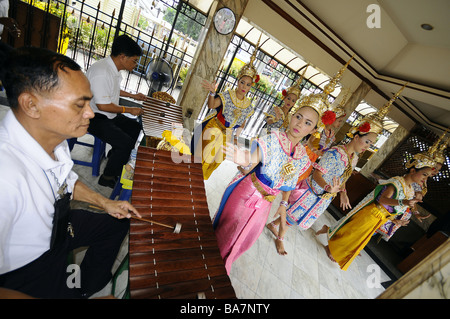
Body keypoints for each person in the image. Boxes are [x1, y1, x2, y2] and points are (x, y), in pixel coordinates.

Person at [0, 44, 141, 298]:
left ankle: (89, 288)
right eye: (80, 105)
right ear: (31, 105)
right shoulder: (5, 176)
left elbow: (66, 180)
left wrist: (105, 203)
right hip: (29, 267)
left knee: (117, 224)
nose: (90, 112)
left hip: (58, 226)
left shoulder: (55, 137)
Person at [213, 87, 330, 273]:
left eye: (307, 122)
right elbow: (254, 157)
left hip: (266, 203)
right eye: (298, 116)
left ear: (314, 130)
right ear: (292, 116)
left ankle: (219, 266)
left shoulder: (302, 157)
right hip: (247, 193)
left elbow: (289, 183)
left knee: (246, 238)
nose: (299, 124)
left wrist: (284, 203)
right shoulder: (273, 139)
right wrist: (243, 158)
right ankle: (211, 266)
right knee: (228, 232)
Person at [265, 59, 356, 255]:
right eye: (337, 120)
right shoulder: (313, 135)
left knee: (289, 192)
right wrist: (321, 150)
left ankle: (276, 223)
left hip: (307, 161)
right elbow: (312, 146)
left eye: (340, 121)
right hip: (309, 160)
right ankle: (278, 228)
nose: (338, 123)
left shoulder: (328, 137)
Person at [191, 37, 262, 180]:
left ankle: (195, 183)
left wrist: (236, 139)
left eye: (248, 84)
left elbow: (242, 123)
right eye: (242, 82)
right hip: (213, 128)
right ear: (238, 81)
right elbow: (211, 105)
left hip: (227, 136)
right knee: (201, 158)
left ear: (250, 87)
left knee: (214, 162)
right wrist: (212, 93)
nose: (244, 87)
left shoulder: (249, 106)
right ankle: (190, 178)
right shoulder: (228, 95)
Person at [86, 34, 147, 188]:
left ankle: (116, 156)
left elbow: (113, 90)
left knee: (135, 126)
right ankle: (107, 177)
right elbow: (103, 106)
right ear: (122, 57)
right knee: (126, 143)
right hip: (93, 117)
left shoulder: (112, 69)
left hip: (107, 115)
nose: (135, 65)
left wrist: (133, 96)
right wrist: (129, 109)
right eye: (134, 61)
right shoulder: (102, 72)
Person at [265, 66, 308, 133]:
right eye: (288, 98)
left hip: (278, 142)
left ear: (294, 103)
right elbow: (268, 121)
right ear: (284, 98)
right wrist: (276, 119)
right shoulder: (276, 109)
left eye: (293, 101)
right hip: (265, 138)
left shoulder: (291, 117)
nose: (290, 101)